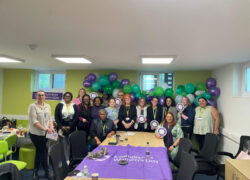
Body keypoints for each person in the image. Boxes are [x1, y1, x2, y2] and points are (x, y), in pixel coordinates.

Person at [28, 90, 54, 180]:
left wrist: (51, 128)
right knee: (43, 152)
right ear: (36, 96)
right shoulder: (33, 106)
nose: (41, 97)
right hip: (35, 133)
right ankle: (47, 172)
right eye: (39, 95)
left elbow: (50, 119)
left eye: (42, 95)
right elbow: (35, 122)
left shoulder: (48, 106)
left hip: (46, 134)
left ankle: (35, 172)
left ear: (45, 96)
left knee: (39, 152)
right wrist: (46, 129)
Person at [55, 92, 78, 162]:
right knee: (62, 143)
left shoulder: (74, 105)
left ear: (71, 97)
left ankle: (70, 159)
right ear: (64, 97)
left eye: (69, 96)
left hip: (71, 126)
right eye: (66, 96)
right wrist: (61, 126)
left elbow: (76, 117)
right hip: (62, 126)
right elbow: (56, 116)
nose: (67, 97)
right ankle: (62, 160)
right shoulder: (59, 105)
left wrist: (70, 126)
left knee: (71, 143)